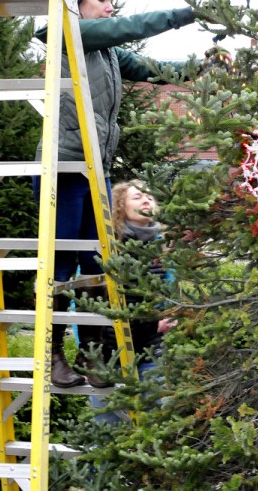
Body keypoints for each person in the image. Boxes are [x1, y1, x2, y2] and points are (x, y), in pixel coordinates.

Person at [32, 0, 198, 388]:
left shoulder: (105, 52)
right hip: (64, 168)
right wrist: (187, 13)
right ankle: (51, 358)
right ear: (75, 1)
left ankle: (94, 358)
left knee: (97, 264)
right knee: (62, 266)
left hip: (95, 170)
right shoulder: (68, 32)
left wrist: (203, 65)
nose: (111, 7)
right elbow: (127, 28)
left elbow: (153, 68)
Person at [88, 180, 176, 421]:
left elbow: (173, 290)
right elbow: (85, 299)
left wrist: (171, 314)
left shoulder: (163, 245)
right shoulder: (109, 245)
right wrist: (92, 351)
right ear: (121, 206)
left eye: (149, 196)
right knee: (107, 426)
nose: (146, 199)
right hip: (110, 354)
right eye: (137, 197)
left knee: (153, 424)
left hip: (152, 350)